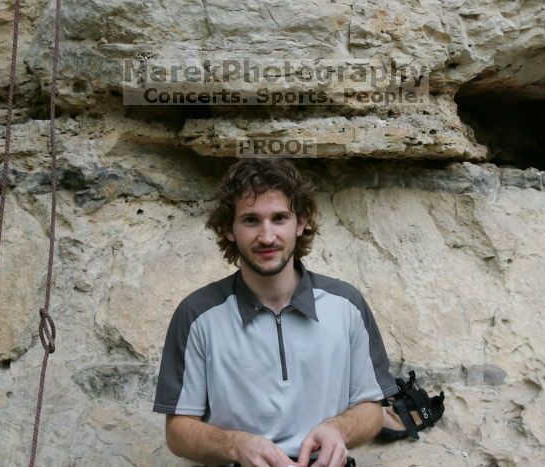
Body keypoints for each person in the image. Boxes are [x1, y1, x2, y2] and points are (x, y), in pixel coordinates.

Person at [153, 159, 416, 467]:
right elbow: (178, 432)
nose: (267, 237)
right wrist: (236, 445)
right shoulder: (196, 314)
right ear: (228, 229)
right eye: (251, 220)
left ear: (300, 222)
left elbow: (372, 409)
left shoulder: (347, 304)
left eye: (279, 218)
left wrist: (338, 430)